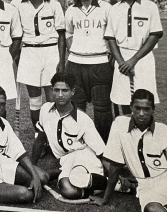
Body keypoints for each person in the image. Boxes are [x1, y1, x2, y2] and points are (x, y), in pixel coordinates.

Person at [32, 72, 134, 200]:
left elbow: (101, 152)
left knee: (73, 185)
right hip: (65, 160)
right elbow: (39, 140)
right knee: (66, 188)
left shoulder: (83, 119)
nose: (60, 95)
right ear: (52, 90)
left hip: (85, 157)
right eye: (56, 90)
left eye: (65, 90)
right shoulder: (45, 110)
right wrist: (32, 168)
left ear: (73, 92)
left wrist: (116, 175)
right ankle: (100, 184)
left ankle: (114, 183)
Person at [10, 0, 66, 134]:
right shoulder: (16, 4)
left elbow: (61, 35)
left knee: (51, 98)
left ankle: (52, 134)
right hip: (29, 52)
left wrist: (61, 62)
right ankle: (38, 134)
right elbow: (13, 33)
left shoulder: (53, 4)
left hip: (50, 52)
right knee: (35, 100)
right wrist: (16, 56)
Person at [105, 0, 163, 115]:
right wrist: (121, 62)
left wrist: (133, 60)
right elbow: (110, 38)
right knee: (123, 100)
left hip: (143, 58)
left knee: (145, 100)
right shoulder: (114, 9)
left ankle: (145, 135)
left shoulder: (150, 7)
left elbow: (155, 35)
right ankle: (125, 134)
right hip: (121, 59)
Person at [64, 0, 113, 142]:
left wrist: (109, 52)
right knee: (77, 106)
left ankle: (104, 146)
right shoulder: (71, 10)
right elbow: (68, 33)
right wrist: (74, 49)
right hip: (75, 64)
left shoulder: (106, 8)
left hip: (100, 63)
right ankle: (80, 143)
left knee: (103, 108)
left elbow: (113, 35)